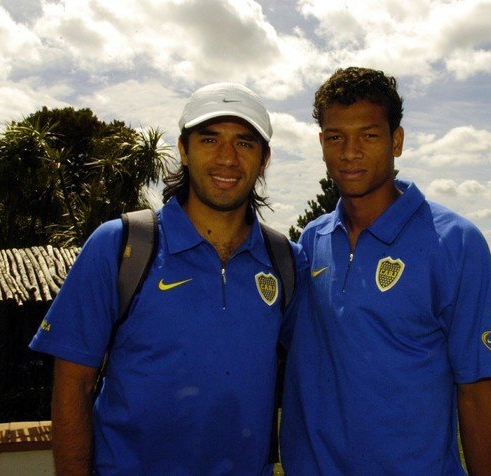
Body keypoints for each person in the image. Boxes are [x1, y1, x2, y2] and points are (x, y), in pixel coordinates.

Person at [30, 82, 307, 475]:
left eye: (244, 143)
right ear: (183, 150)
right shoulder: (119, 246)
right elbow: (73, 385)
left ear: (264, 160)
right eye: (210, 139)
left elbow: (321, 370)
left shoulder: (286, 262)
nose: (227, 158)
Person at [280, 67, 491, 475]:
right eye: (336, 137)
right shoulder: (311, 242)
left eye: (368, 135)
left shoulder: (455, 243)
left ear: (396, 140)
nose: (350, 152)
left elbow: (478, 391)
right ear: (322, 143)